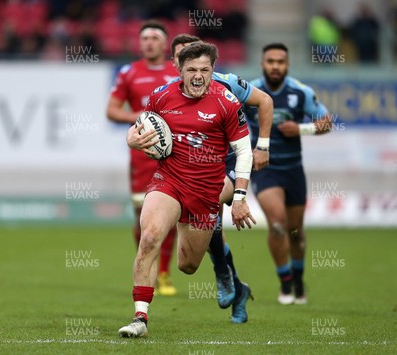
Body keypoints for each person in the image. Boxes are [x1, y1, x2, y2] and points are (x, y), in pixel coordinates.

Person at [118, 42, 256, 338]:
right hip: (168, 180)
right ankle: (140, 317)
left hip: (206, 191)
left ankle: (236, 285)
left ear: (212, 70)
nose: (198, 76)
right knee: (150, 236)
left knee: (188, 266)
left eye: (204, 70)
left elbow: (244, 153)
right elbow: (141, 127)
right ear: (178, 69)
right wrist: (132, 139)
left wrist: (240, 198)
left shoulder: (227, 102)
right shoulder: (161, 96)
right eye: (191, 69)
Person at [169, 34, 272, 320]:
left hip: (227, 164)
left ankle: (222, 275)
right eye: (182, 60)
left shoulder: (227, 83)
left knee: (209, 199)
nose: (193, 70)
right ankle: (237, 286)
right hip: (188, 172)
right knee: (191, 256)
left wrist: (262, 145)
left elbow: (265, 101)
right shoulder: (168, 93)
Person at [245, 43, 333, 305]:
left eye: (280, 62)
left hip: (293, 169)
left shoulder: (300, 91)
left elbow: (326, 121)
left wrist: (302, 129)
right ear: (262, 64)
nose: (275, 66)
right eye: (270, 61)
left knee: (295, 231)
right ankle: (284, 283)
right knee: (277, 222)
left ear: (287, 64)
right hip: (264, 168)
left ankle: (297, 278)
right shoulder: (248, 91)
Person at [106, 20, 179, 296]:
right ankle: (146, 265)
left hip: (173, 156)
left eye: (155, 38)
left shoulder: (178, 72)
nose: (149, 42)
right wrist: (140, 118)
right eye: (144, 38)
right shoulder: (129, 73)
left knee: (170, 215)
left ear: (165, 44)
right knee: (141, 216)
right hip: (141, 156)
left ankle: (163, 273)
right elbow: (112, 111)